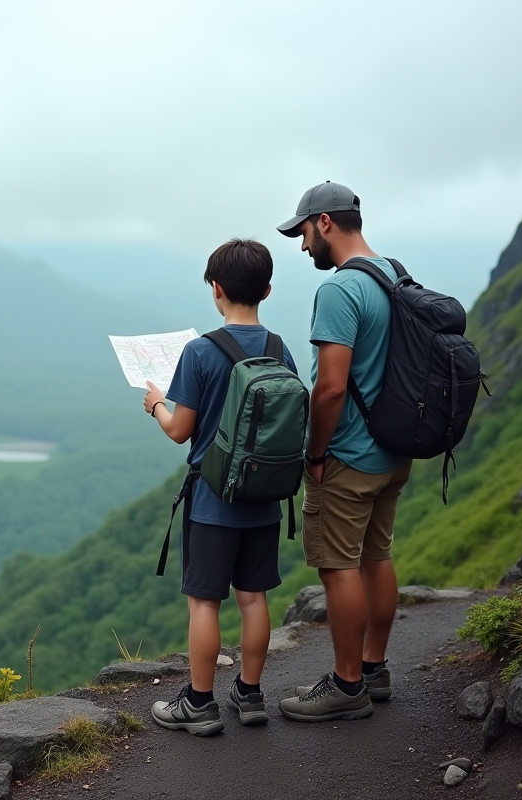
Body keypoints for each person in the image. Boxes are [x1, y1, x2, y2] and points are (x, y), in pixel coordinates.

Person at [142, 237, 297, 735]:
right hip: (265, 499)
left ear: (216, 289)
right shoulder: (279, 348)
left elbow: (178, 430)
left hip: (213, 502)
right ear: (267, 290)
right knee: (254, 599)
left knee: (205, 603)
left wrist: (156, 405)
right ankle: (250, 697)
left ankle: (200, 703)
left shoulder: (200, 351)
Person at [274, 181, 413, 722]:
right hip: (393, 451)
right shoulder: (395, 274)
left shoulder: (339, 291)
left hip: (349, 455)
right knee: (377, 557)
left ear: (325, 223)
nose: (303, 246)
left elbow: (330, 388)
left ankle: (347, 685)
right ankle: (373, 668)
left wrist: (314, 454)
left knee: (338, 567)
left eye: (304, 233)